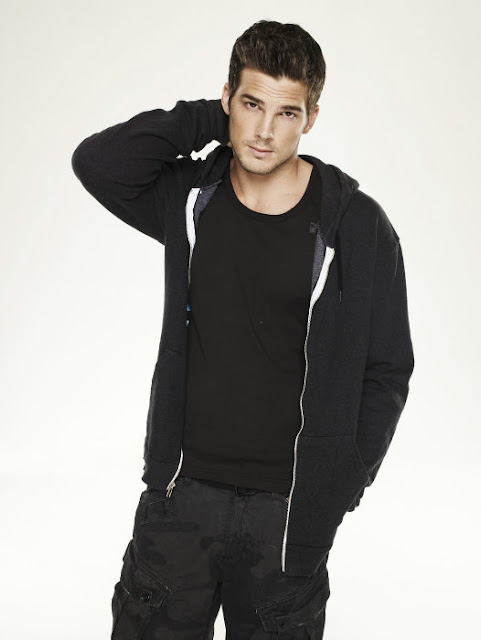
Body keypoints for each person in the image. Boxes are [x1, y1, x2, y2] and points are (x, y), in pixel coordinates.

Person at [71, 19, 414, 640]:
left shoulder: (357, 227)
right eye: (252, 104)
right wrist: (210, 117)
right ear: (228, 97)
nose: (264, 131)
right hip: (181, 498)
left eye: (287, 112)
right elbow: (98, 162)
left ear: (311, 118)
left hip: (288, 516)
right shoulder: (191, 200)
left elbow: (388, 370)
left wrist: (338, 485)